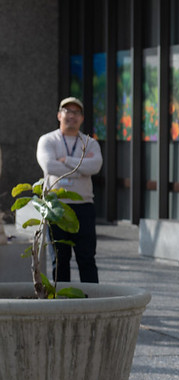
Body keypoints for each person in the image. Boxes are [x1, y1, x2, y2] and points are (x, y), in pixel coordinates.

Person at [36, 97, 103, 283]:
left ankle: (91, 302)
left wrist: (66, 160)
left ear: (82, 118)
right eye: (67, 111)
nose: (71, 116)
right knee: (60, 260)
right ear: (59, 115)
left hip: (84, 207)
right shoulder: (47, 140)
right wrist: (81, 166)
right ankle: (61, 303)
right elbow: (49, 166)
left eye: (76, 112)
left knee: (87, 258)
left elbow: (95, 167)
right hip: (56, 207)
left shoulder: (90, 143)